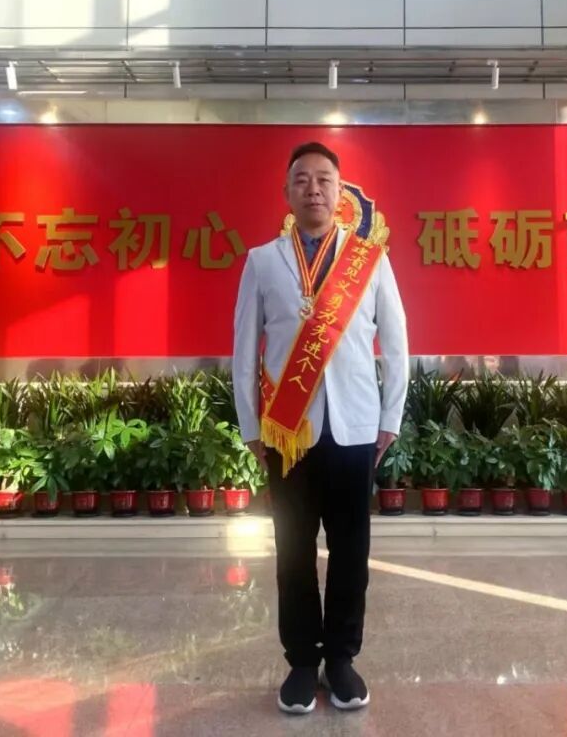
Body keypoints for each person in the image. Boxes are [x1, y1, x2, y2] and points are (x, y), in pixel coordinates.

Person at [232, 141, 409, 714]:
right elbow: (243, 350)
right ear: (287, 193)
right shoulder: (263, 261)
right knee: (293, 551)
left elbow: (397, 345)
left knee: (352, 552)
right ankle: (302, 663)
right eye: (302, 180)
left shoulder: (370, 261)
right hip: (289, 433)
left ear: (340, 192)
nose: (314, 189)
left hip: (355, 430)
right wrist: (251, 426)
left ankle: (342, 659)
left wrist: (390, 418)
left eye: (324, 179)